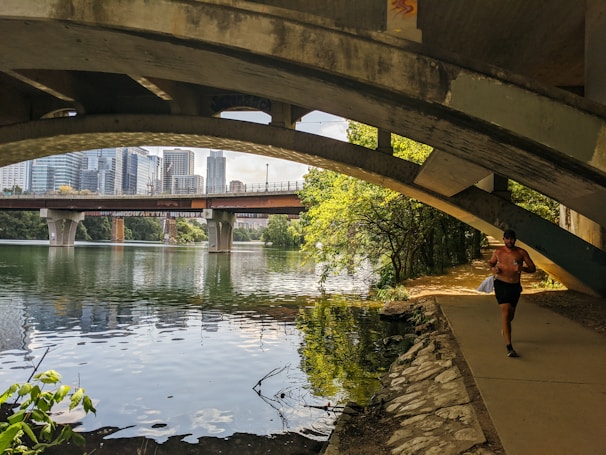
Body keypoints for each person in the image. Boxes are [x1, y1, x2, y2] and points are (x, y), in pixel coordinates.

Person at [488, 229, 536, 357]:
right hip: (501, 284)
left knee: (510, 316)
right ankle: (509, 347)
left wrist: (522, 268)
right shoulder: (498, 252)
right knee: (505, 310)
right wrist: (494, 269)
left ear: (515, 239)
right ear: (503, 239)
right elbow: (491, 263)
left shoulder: (521, 252)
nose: (510, 241)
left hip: (514, 286)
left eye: (512, 238)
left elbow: (533, 269)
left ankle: (505, 329)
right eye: (507, 238)